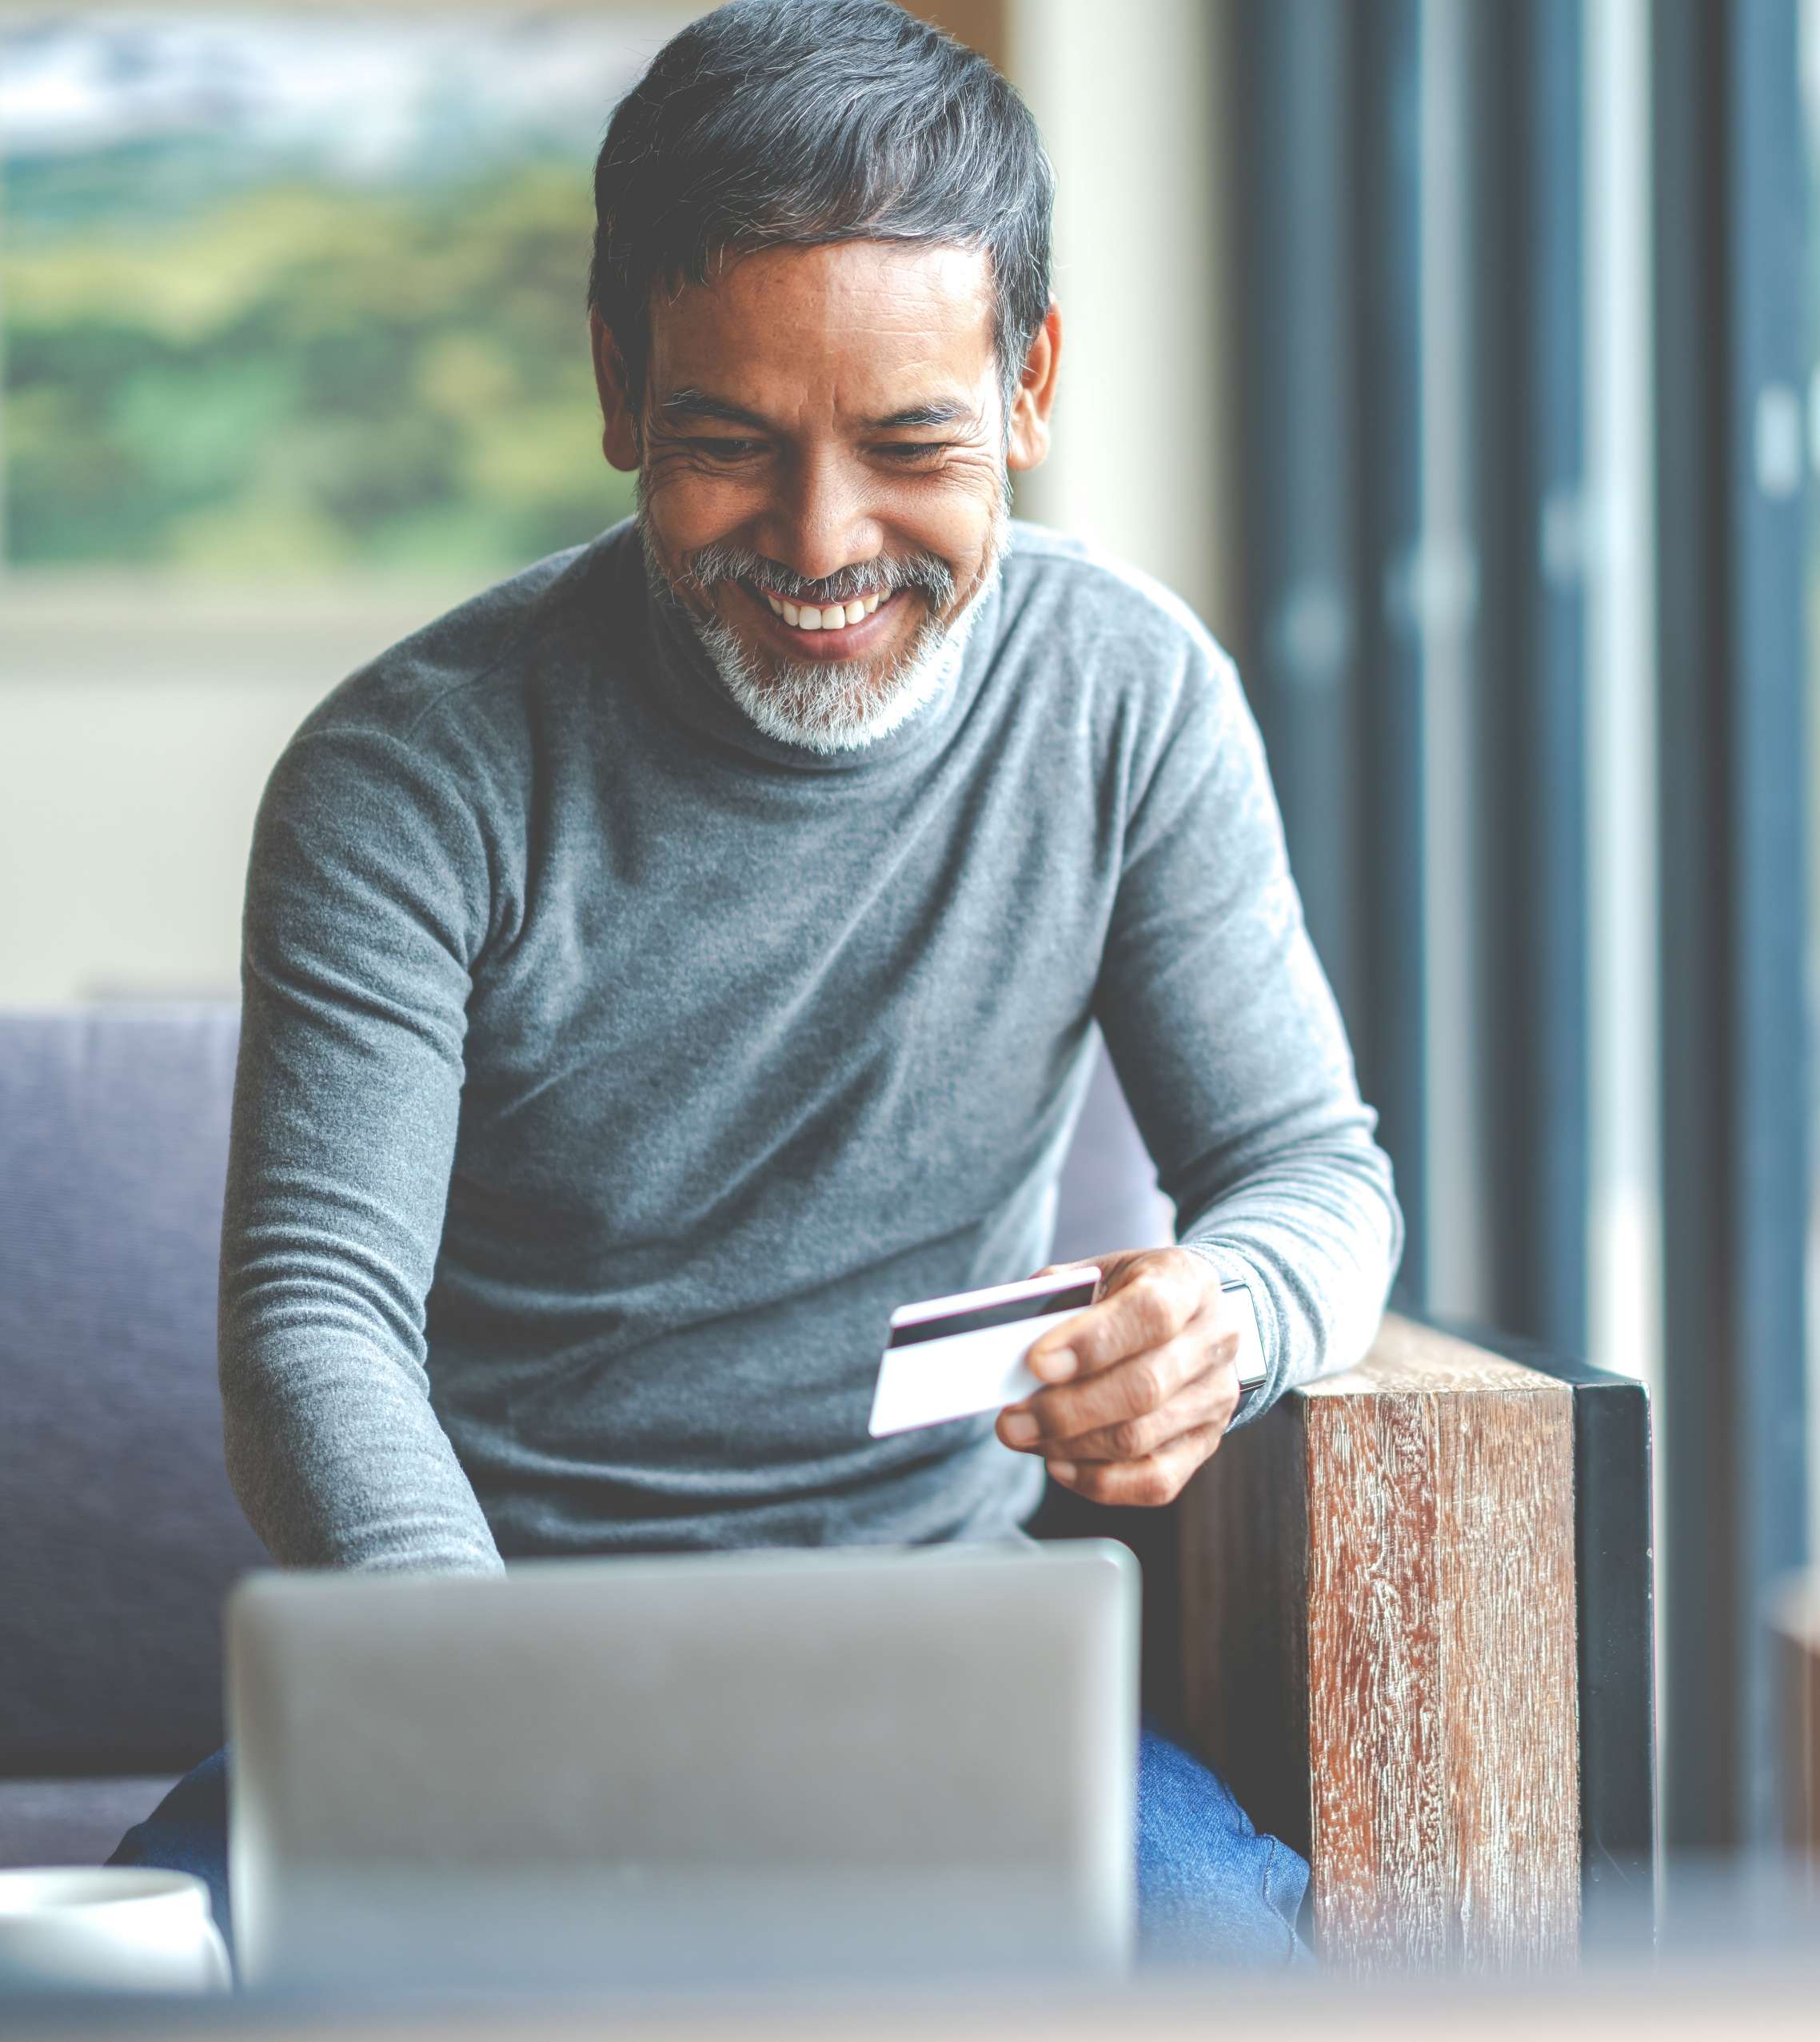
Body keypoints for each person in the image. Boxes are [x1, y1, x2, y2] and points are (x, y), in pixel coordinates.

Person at [111, 0, 1400, 1971]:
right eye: (729, 445)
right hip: (476, 1663)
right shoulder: (411, 770)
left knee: (1234, 1974)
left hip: (950, 1683)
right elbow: (315, 1316)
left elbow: (1321, 1174)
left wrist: (1229, 1315)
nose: (822, 543)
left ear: (1030, 385)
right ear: (621, 382)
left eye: (910, 446)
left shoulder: (1130, 702)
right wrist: (479, 1713)